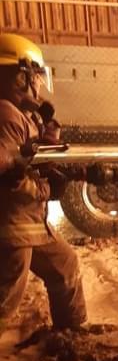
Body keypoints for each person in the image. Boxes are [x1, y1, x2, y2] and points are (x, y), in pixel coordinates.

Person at [0, 33, 87, 332]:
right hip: (12, 227)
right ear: (20, 76)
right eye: (36, 75)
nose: (38, 83)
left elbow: (32, 159)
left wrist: (50, 146)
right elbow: (10, 174)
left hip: (30, 222)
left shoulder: (21, 114)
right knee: (6, 299)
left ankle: (70, 334)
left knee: (64, 265)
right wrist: (48, 189)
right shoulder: (6, 116)